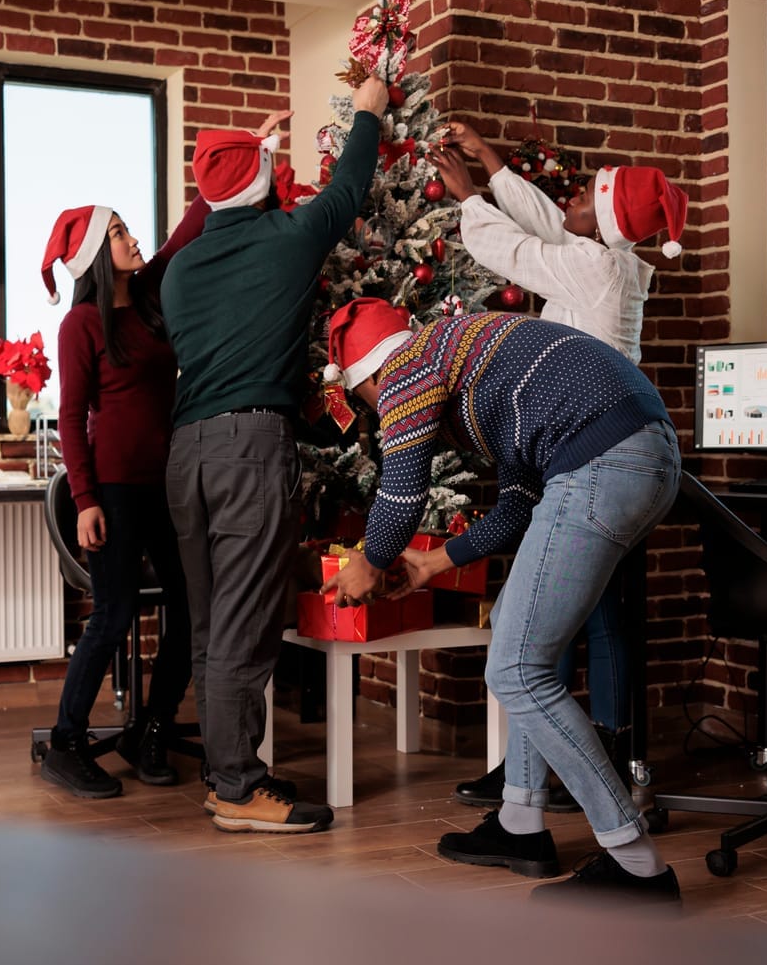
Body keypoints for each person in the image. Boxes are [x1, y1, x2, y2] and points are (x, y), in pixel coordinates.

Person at [323, 300, 683, 904]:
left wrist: (370, 561)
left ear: (366, 379)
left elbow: (401, 491)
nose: (377, 414)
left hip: (601, 465)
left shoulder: (409, 364)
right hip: (640, 457)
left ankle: (637, 864)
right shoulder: (471, 359)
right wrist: (438, 562)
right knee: (522, 655)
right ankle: (520, 825)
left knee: (516, 669)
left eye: (366, 402)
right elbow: (519, 501)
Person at [425, 126, 688, 814]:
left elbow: (513, 248)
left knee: (584, 619)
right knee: (564, 620)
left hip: (590, 452)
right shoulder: (609, 258)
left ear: (597, 223)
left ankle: (587, 762)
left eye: (582, 195)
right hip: (594, 446)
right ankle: (538, 766)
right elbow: (553, 225)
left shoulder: (594, 269)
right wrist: (490, 162)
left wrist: (468, 197)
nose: (568, 195)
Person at [161, 74, 388, 834]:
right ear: (264, 183)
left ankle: (222, 772)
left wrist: (245, 156)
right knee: (244, 625)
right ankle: (237, 787)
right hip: (248, 448)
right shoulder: (286, 240)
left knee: (207, 623)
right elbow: (350, 188)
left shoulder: (182, 270)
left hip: (186, 452)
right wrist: (368, 111)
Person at [39, 190, 209, 798]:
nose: (134, 240)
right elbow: (71, 413)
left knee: (191, 613)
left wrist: (253, 151)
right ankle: (65, 742)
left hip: (165, 486)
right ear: (95, 256)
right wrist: (85, 500)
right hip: (111, 490)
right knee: (113, 615)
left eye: (130, 230)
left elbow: (188, 228)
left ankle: (150, 730)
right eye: (120, 234)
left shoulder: (149, 298)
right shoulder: (81, 324)